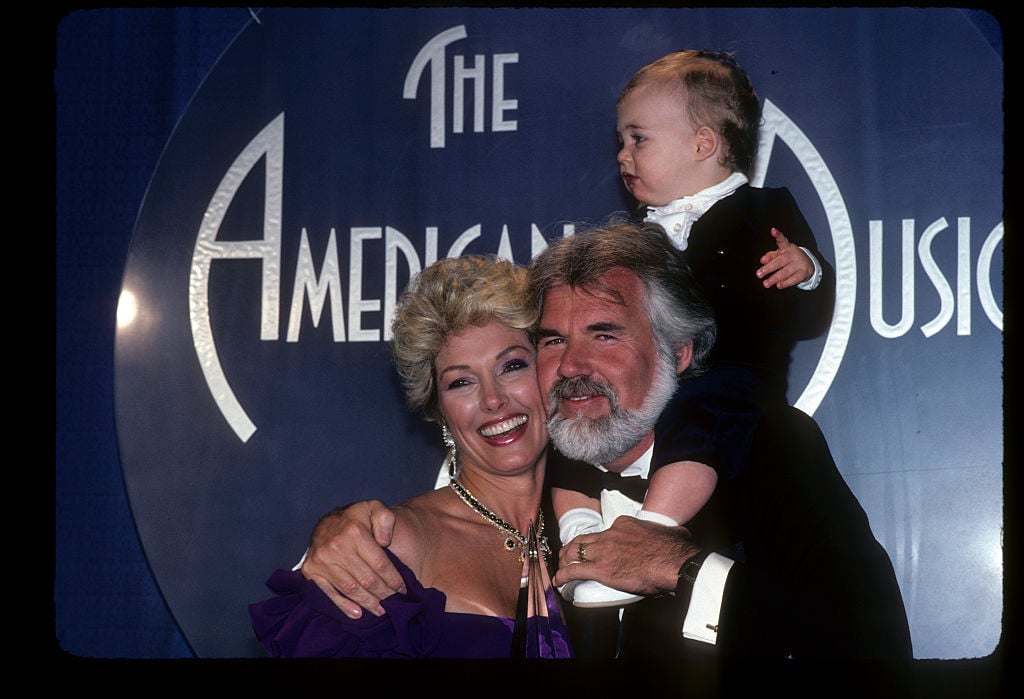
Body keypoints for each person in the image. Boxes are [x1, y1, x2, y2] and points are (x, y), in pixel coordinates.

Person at [300, 221, 912, 662]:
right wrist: (337, 528)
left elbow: (871, 644)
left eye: (605, 334)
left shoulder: (771, 448)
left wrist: (682, 568)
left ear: (678, 352)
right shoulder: (525, 498)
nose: (572, 365)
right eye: (551, 341)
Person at [551, 49, 839, 608]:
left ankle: (649, 532)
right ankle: (582, 536)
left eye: (639, 139)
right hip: (665, 385)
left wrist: (805, 270)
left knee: (700, 409)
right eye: (622, 140)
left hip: (732, 383)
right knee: (575, 406)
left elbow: (810, 312)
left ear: (702, 145)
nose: (622, 154)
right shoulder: (637, 239)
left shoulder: (763, 209)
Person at [248, 255, 572, 658]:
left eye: (512, 366)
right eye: (461, 382)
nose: (493, 399)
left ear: (549, 371)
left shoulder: (600, 520)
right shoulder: (391, 545)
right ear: (439, 410)